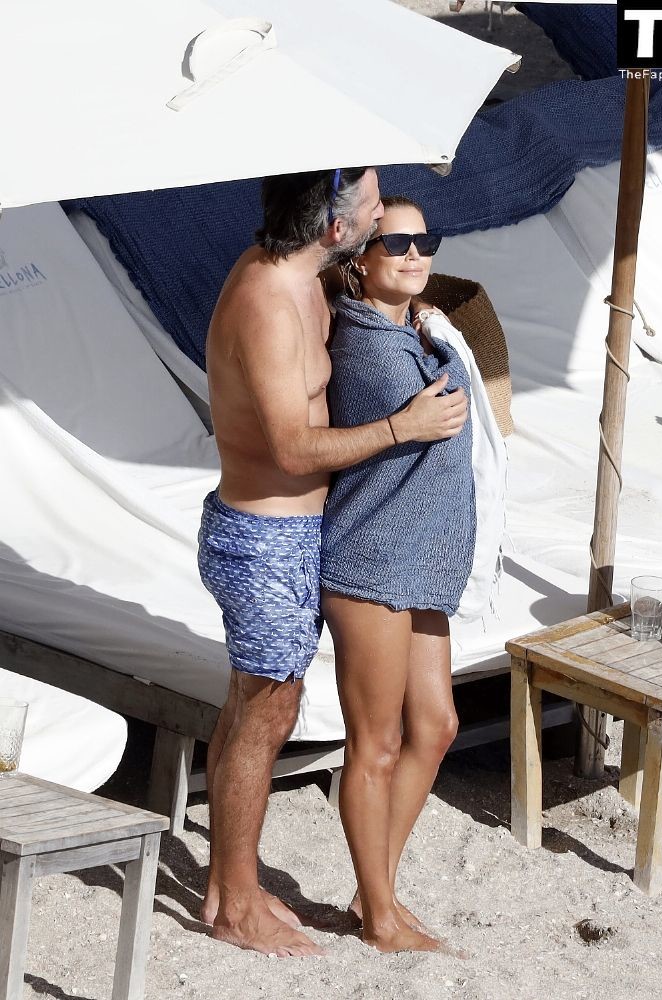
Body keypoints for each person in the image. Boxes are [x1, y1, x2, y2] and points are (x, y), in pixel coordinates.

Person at [197, 169, 469, 958]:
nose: (384, 216)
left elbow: (371, 302)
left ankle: (228, 884)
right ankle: (237, 907)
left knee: (250, 710)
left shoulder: (305, 277)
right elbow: (290, 447)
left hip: (295, 531)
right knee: (266, 716)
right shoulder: (268, 302)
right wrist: (401, 428)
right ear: (335, 226)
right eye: (374, 208)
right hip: (266, 536)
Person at [320, 196, 477, 953]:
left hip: (418, 559)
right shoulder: (371, 346)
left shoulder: (409, 329)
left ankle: (372, 888)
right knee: (375, 745)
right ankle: (379, 917)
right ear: (359, 260)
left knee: (437, 725)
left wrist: (429, 325)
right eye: (396, 244)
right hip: (372, 559)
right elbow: (448, 404)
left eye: (425, 240)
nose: (415, 254)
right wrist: (438, 335)